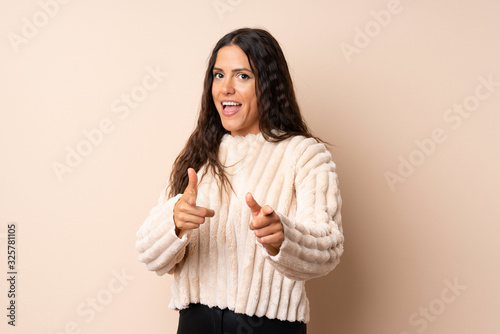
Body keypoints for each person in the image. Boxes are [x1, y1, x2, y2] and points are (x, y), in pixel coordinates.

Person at [135, 27, 344, 334]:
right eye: (219, 75)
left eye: (242, 76)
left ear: (269, 86)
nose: (226, 88)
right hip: (195, 324)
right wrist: (174, 221)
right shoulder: (199, 155)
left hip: (268, 327)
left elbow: (328, 248)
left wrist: (282, 237)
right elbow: (149, 254)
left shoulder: (305, 154)